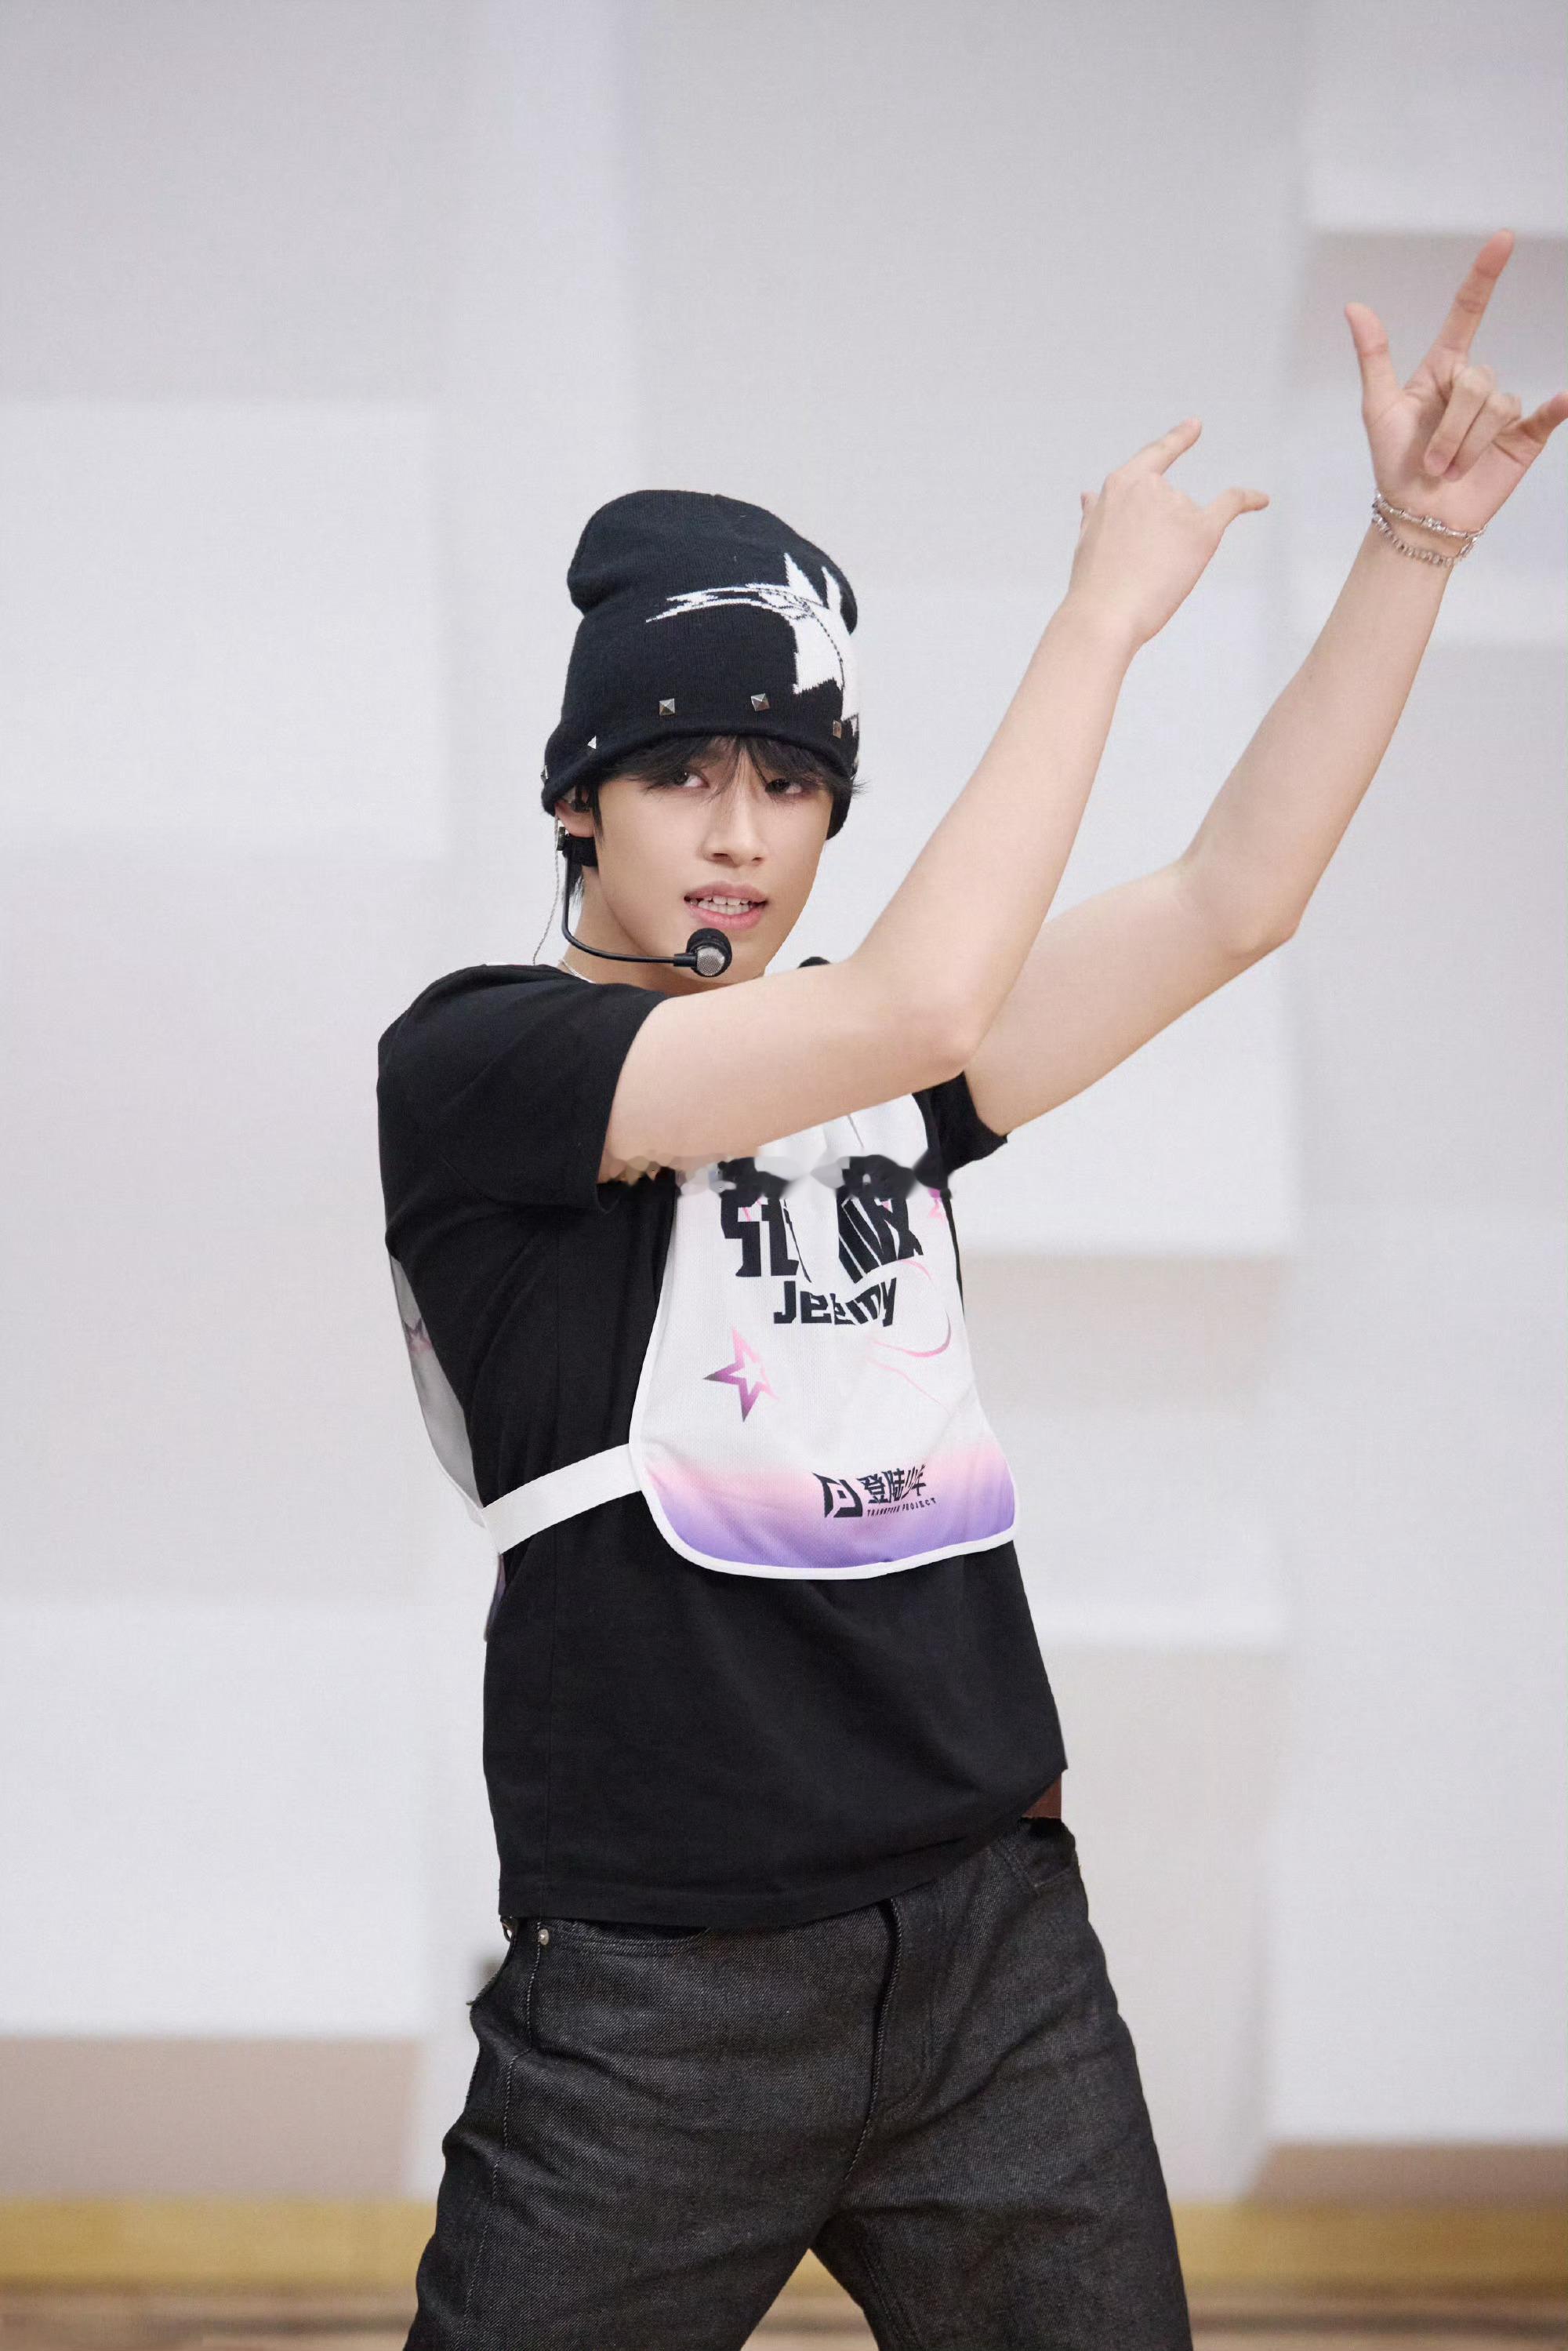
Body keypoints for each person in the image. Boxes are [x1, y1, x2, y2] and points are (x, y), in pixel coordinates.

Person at [376, 231, 1561, 2350]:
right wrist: (1099, 620)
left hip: (995, 1960)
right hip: (662, 2004)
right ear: (577, 796)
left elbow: (1231, 897)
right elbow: (922, 999)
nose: (742, 832)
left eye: (792, 781)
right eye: (683, 773)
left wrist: (1411, 548)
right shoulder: (486, 1066)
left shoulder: (874, 1078)